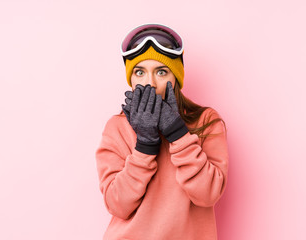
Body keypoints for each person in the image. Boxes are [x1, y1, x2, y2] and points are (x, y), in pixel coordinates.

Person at [95, 23, 229, 240]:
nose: (150, 83)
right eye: (140, 72)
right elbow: (117, 205)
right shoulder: (117, 127)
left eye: (161, 71)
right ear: (131, 78)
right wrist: (145, 146)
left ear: (175, 76)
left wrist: (178, 133)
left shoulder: (206, 121)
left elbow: (208, 195)